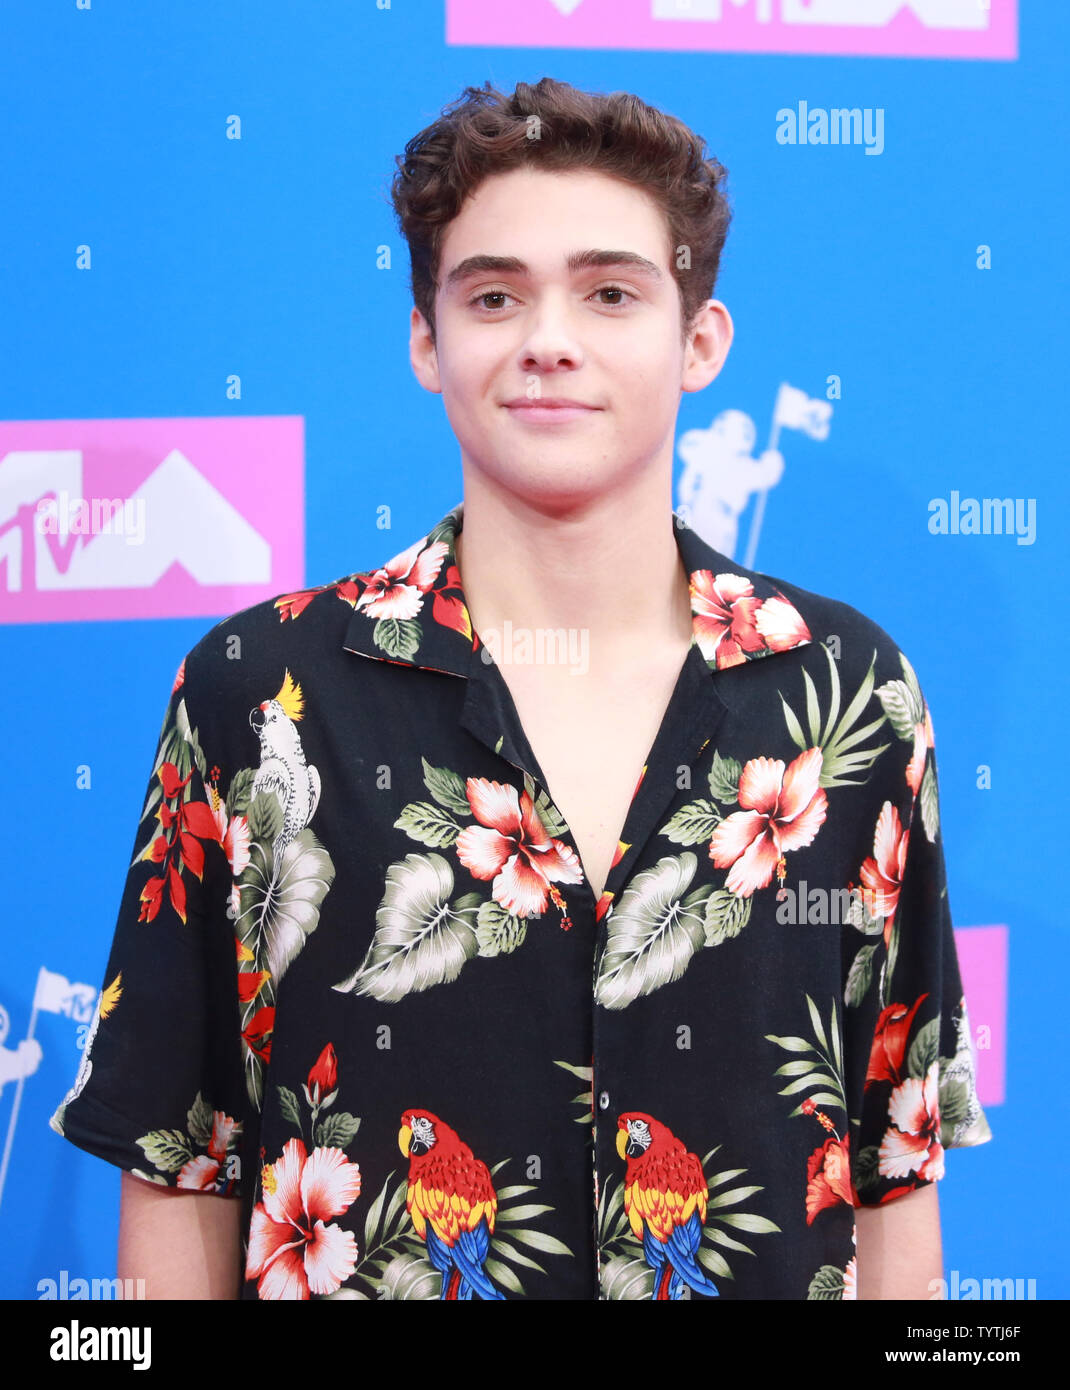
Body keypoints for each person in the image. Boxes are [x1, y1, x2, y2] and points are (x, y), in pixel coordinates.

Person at [51, 76, 990, 1301]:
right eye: (494, 295)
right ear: (426, 341)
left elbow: (890, 1163)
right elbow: (182, 1160)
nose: (549, 339)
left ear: (697, 340)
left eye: (609, 292)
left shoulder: (849, 692)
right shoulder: (256, 689)